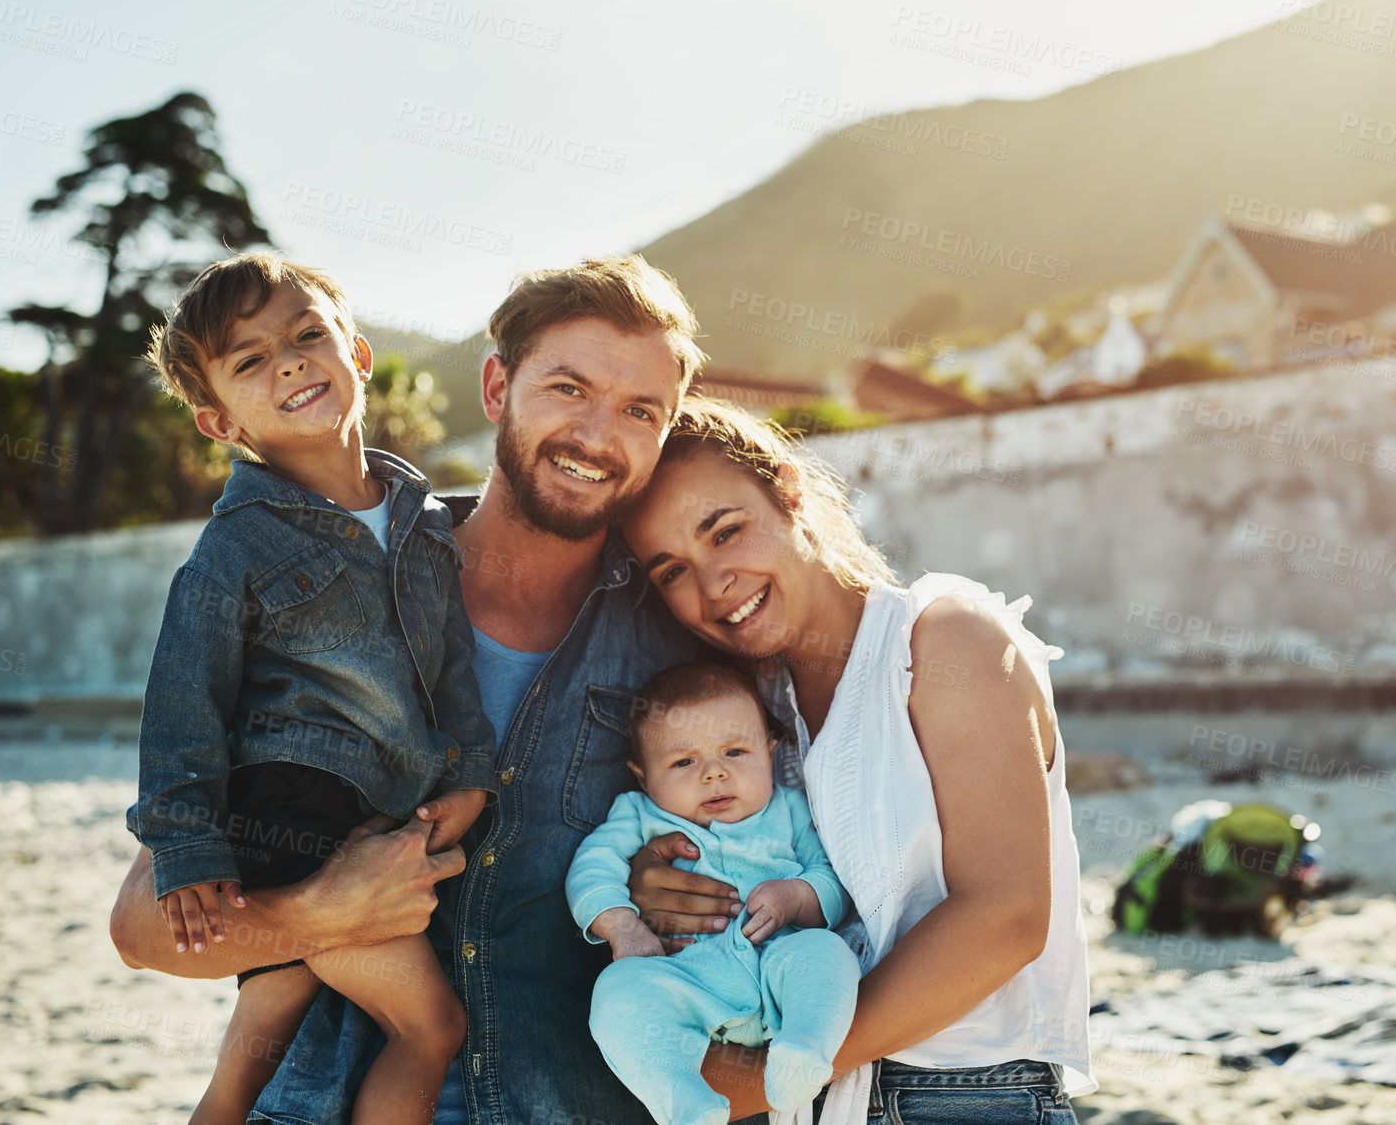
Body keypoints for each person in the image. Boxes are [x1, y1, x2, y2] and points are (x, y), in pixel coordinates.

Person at [109, 255, 734, 1125]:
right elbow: (142, 927)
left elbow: (764, 871)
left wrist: (678, 896)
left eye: (640, 410)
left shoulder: (686, 644)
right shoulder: (325, 575)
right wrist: (313, 915)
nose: (597, 433)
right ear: (495, 385)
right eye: (566, 388)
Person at [620, 397, 1095, 1124]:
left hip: (963, 1095)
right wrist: (664, 881)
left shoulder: (941, 641)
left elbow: (1006, 914)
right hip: (817, 1106)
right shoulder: (752, 714)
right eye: (672, 571)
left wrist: (760, 1081)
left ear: (788, 491)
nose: (713, 583)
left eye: (727, 531)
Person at [129, 252, 497, 1125]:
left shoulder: (426, 522)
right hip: (291, 818)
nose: (289, 362)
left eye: (305, 336)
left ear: (358, 356)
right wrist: (187, 851)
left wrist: (472, 771)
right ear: (219, 422)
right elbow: (184, 704)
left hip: (373, 807)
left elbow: (447, 667)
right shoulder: (235, 550)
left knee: (253, 1050)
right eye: (250, 361)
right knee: (431, 1028)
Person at [569, 662, 859, 1125]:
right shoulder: (638, 813)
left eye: (736, 752)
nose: (714, 774)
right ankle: (682, 1098)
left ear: (769, 752)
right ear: (642, 777)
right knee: (617, 993)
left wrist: (796, 897)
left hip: (778, 964)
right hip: (689, 980)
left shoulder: (790, 808)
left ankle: (802, 1047)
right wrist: (621, 925)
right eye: (684, 762)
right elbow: (592, 865)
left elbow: (830, 876)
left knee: (827, 953)